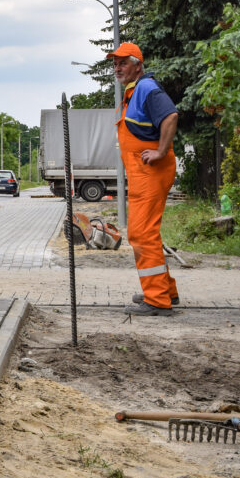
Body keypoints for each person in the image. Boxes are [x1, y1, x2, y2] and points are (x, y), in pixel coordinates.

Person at [107, 41, 180, 316]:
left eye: (123, 62)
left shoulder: (147, 88)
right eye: (115, 63)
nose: (117, 68)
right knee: (146, 232)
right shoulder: (133, 91)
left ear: (138, 64)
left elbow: (170, 116)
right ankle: (165, 292)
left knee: (141, 233)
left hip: (151, 173)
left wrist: (161, 150)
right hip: (143, 176)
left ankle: (157, 300)